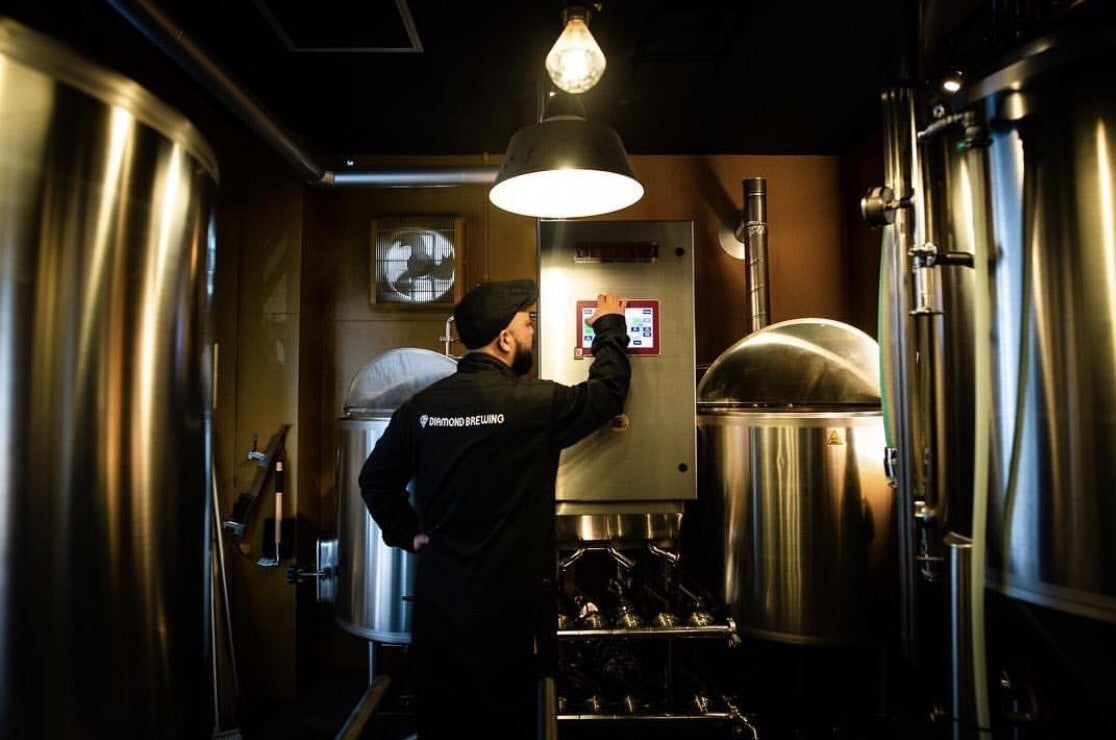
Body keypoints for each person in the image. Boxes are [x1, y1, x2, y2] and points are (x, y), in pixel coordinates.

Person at [360, 278, 630, 739]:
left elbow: (374, 480)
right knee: (507, 721)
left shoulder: (421, 408)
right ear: (505, 338)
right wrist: (609, 327)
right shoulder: (534, 404)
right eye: (527, 324)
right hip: (508, 609)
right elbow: (606, 393)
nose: (531, 332)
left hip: (439, 606)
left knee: (444, 723)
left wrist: (407, 532)